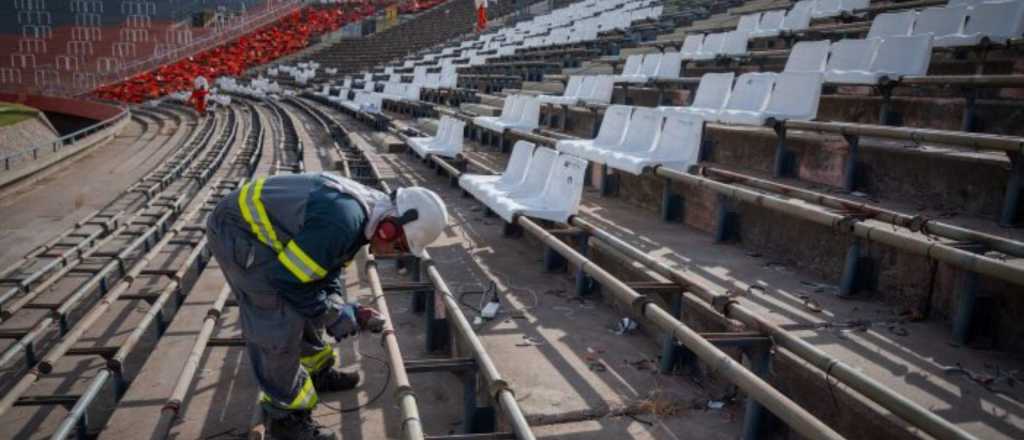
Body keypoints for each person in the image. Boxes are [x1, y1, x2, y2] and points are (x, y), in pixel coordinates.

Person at [206, 172, 449, 440]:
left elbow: (325, 271)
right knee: (278, 319)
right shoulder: (343, 221)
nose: (395, 253)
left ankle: (316, 372)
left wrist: (340, 308)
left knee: (308, 296)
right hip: (239, 232)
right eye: (399, 244)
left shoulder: (364, 216)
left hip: (265, 233)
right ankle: (285, 418)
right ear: (389, 227)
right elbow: (288, 281)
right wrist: (332, 316)